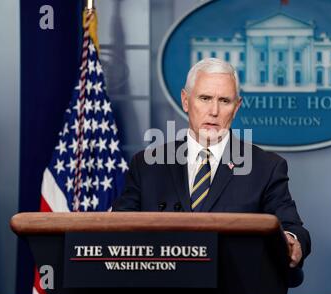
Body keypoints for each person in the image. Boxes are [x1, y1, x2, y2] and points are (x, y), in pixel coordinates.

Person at [112, 57, 310, 274]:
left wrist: (291, 241)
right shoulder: (147, 164)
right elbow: (118, 228)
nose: (214, 111)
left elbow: (293, 228)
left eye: (224, 101)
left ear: (236, 108)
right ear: (186, 101)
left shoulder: (266, 167)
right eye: (205, 98)